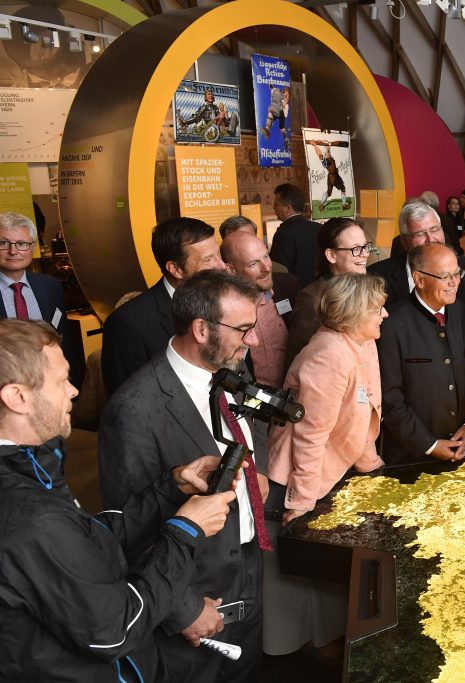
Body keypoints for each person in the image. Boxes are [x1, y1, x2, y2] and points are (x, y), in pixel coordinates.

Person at [0, 318, 239, 682]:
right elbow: (115, 629)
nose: (75, 392)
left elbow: (88, 542)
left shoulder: (32, 466)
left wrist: (170, 489)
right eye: (63, 380)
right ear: (18, 397)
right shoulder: (30, 515)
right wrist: (184, 531)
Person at [99, 270, 270, 682]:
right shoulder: (135, 410)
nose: (255, 341)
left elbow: (252, 434)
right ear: (200, 329)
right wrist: (183, 609)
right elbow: (128, 528)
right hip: (191, 605)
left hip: (247, 577)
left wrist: (254, 482)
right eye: (244, 329)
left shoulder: (231, 375)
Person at [264, 274, 386, 656]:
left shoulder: (360, 343)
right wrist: (300, 504)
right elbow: (310, 436)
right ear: (353, 314)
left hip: (330, 474)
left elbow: (361, 410)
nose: (384, 314)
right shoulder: (329, 354)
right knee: (300, 575)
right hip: (301, 478)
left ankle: (328, 638)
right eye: (376, 308)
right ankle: (299, 650)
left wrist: (371, 466)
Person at [378, 243, 465, 464]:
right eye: (445, 276)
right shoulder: (392, 325)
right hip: (411, 458)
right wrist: (429, 445)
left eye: (457, 273)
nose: (455, 283)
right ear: (419, 279)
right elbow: (389, 399)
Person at [102, 216, 226, 396]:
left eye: (218, 255)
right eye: (208, 260)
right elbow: (128, 403)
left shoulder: (224, 303)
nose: (221, 266)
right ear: (175, 269)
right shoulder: (128, 324)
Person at [0, 212, 79, 386]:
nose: (13, 251)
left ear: (32, 248)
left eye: (22, 244)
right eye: (3, 243)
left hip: (47, 377)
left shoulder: (49, 286)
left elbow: (61, 335)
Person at [368, 201, 465, 316]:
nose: (431, 239)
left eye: (434, 229)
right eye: (419, 234)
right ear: (404, 241)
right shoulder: (376, 277)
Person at [287, 218, 372, 367]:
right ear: (331, 255)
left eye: (366, 246)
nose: (365, 254)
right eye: (356, 249)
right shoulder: (312, 298)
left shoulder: (366, 288)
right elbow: (299, 359)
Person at [221, 230, 295, 387]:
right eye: (253, 263)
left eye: (266, 256)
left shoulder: (289, 287)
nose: (267, 268)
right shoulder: (222, 309)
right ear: (231, 270)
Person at [269, 183, 320, 287]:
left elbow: (279, 272)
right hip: (319, 290)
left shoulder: (283, 234)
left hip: (296, 294)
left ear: (288, 208)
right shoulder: (318, 228)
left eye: (276, 204)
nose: (273, 207)